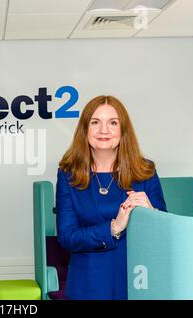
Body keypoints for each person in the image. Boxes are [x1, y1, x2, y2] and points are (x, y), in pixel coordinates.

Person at [56, 95, 166, 300]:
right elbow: (67, 237)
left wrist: (152, 213)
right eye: (95, 122)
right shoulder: (68, 174)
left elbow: (164, 235)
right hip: (88, 285)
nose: (104, 130)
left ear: (123, 130)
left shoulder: (145, 171)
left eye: (112, 123)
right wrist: (113, 228)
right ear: (84, 130)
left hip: (139, 281)